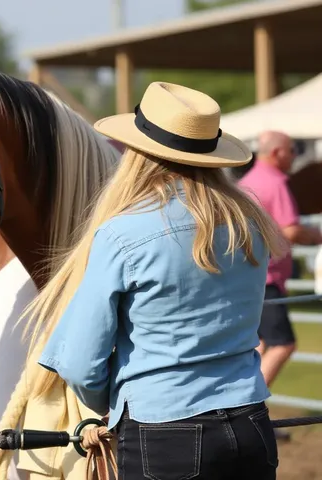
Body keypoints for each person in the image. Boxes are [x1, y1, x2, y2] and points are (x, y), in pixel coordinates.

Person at [25, 83, 286, 479]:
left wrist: (106, 404)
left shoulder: (122, 234)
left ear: (138, 154)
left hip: (165, 433)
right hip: (250, 422)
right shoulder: (248, 224)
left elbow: (79, 362)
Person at [239, 132, 322, 387]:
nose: (295, 156)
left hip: (247, 276)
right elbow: (291, 230)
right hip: (268, 278)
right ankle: (247, 407)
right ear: (277, 153)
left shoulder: (247, 181)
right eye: (292, 151)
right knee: (282, 344)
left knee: (261, 345)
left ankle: (254, 416)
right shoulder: (276, 183)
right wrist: (319, 235)